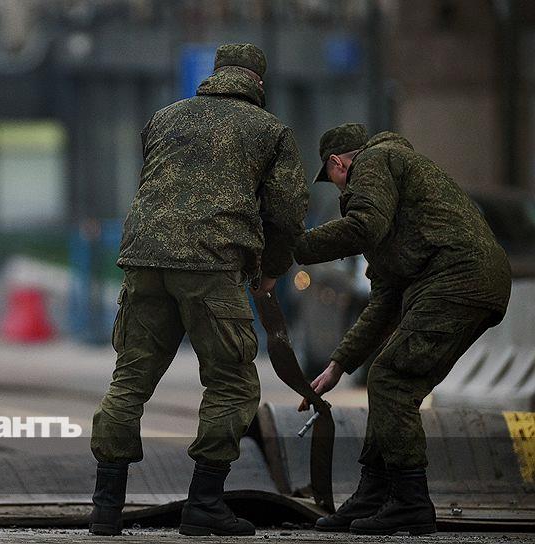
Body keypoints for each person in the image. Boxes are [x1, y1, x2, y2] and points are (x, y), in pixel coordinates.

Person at [89, 43, 309, 537]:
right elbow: (288, 211)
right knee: (232, 383)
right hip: (210, 264)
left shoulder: (165, 117)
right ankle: (205, 503)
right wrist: (272, 269)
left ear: (216, 74)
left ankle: (105, 508)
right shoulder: (269, 131)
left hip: (144, 259)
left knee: (131, 377)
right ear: (258, 82)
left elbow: (155, 182)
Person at [295, 123, 511, 536]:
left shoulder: (376, 160)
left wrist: (296, 247)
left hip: (457, 279)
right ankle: (374, 494)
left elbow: (362, 227)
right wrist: (339, 364)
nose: (341, 192)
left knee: (391, 380)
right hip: (472, 281)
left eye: (334, 179)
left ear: (337, 164)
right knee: (390, 380)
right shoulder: (395, 200)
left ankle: (410, 502)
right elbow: (384, 301)